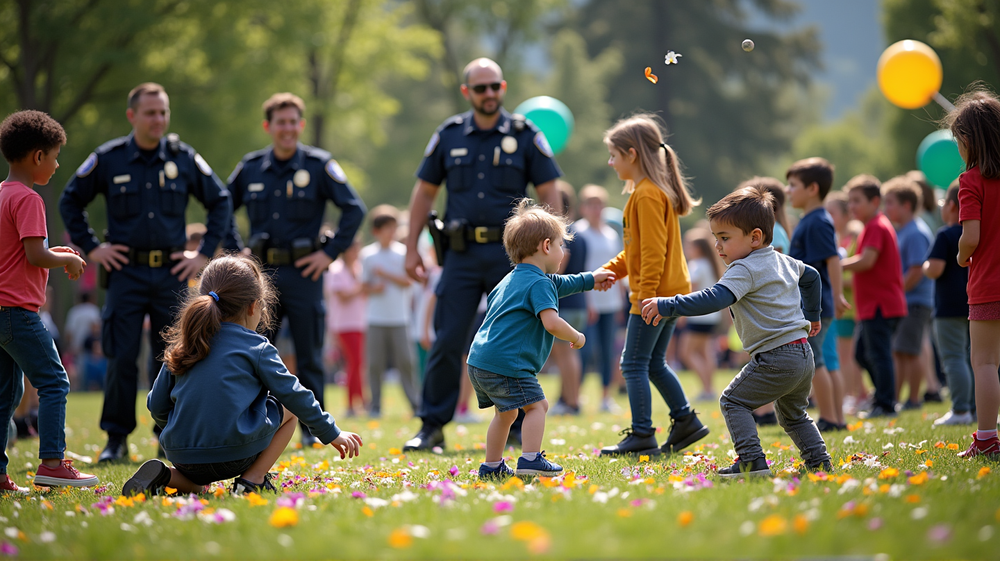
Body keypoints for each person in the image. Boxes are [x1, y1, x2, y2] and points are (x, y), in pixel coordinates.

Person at [59, 83, 233, 462]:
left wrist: (202, 254)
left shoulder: (183, 158)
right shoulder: (110, 159)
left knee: (175, 355)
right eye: (150, 112)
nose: (158, 119)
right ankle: (116, 440)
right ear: (132, 116)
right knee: (121, 356)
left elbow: (220, 201)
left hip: (171, 274)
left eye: (163, 112)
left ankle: (168, 436)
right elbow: (70, 199)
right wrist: (92, 248)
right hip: (126, 274)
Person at [401, 58, 562, 451]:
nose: (489, 94)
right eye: (480, 88)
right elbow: (424, 192)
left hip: (515, 258)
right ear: (467, 92)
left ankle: (523, 425)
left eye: (494, 87)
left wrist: (557, 246)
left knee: (519, 336)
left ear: (503, 88)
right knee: (448, 338)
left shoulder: (525, 134)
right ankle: (432, 426)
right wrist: (410, 246)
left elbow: (550, 191)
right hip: (459, 254)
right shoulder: (449, 134)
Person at [122, 255, 363, 496]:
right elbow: (294, 394)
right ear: (253, 306)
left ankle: (167, 475)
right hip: (236, 454)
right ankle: (252, 480)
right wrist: (332, 433)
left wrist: (181, 430)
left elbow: (156, 405)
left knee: (198, 486)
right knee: (289, 409)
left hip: (182, 455)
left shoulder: (184, 345)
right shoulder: (256, 347)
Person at [641, 186, 832, 478]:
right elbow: (813, 277)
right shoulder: (784, 260)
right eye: (716, 238)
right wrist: (813, 314)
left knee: (733, 401)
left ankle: (752, 462)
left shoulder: (744, 268)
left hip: (776, 356)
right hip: (802, 353)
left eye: (725, 238)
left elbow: (714, 299)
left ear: (755, 237)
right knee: (793, 415)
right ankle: (819, 462)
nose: (718, 246)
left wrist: (669, 305)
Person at [224, 93, 366, 446]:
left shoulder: (319, 165)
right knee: (253, 353)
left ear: (300, 125)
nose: (287, 129)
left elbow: (354, 209)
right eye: (280, 122)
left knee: (310, 356)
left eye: (292, 122)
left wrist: (329, 254)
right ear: (268, 126)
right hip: (259, 277)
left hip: (306, 275)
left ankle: (314, 433)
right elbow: (221, 206)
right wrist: (235, 251)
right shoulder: (251, 167)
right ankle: (256, 425)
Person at [469, 201, 615, 478]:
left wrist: (592, 278)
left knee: (506, 413)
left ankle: (491, 466)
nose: (563, 252)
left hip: (480, 361)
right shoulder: (540, 283)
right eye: (561, 245)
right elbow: (551, 322)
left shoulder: (511, 279)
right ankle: (531, 459)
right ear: (546, 247)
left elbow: (563, 284)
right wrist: (577, 336)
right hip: (507, 363)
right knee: (537, 406)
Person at [596, 114, 708, 457]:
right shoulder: (647, 192)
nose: (610, 162)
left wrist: (644, 297)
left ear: (632, 154)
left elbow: (652, 253)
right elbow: (636, 250)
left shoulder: (646, 195)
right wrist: (610, 271)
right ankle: (685, 420)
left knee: (632, 364)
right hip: (668, 292)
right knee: (654, 363)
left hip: (655, 296)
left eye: (614, 155)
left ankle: (643, 434)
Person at [0, 110, 99, 491]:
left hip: (1, 314)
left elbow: (20, 252)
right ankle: (53, 463)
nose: (57, 164)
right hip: (19, 314)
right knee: (54, 381)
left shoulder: (4, 194)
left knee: (7, 394)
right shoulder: (29, 199)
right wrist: (69, 258)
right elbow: (35, 256)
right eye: (55, 156)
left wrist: (50, 252)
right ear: (37, 156)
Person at [951, 89, 1000, 458]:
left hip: (988, 283)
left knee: (984, 362)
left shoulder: (971, 181)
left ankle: (986, 440)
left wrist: (960, 255)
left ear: (968, 141)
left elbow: (971, 236)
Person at [786, 158, 847, 431]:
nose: (788, 191)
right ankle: (837, 417)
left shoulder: (818, 222)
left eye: (793, 185)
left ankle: (830, 418)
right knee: (823, 359)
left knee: (816, 359)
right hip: (817, 304)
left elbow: (832, 260)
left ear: (812, 188)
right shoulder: (810, 220)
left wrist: (837, 296)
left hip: (816, 305)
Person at [841, 175, 907, 418]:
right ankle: (881, 395)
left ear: (874, 201)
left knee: (878, 354)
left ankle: (886, 403)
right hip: (871, 305)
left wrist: (837, 265)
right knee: (862, 353)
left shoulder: (877, 226)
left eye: (857, 200)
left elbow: (867, 261)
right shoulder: (871, 226)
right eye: (850, 201)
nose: (852, 206)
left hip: (882, 304)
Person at [881, 175, 935, 410]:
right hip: (907, 300)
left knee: (910, 352)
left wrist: (896, 292)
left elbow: (916, 271)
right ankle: (900, 398)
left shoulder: (915, 232)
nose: (886, 208)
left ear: (906, 205)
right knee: (901, 350)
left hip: (914, 301)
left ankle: (914, 399)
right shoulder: (903, 230)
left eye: (890, 202)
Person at [923, 182, 974, 426]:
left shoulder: (945, 234)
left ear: (952, 206)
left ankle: (961, 409)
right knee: (980, 359)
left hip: (948, 308)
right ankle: (977, 408)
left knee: (954, 358)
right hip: (975, 303)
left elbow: (935, 269)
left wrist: (925, 266)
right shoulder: (977, 233)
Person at [361, 206, 419, 417]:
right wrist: (373, 287)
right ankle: (375, 407)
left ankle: (415, 405)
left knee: (406, 363)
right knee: (374, 365)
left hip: (400, 318)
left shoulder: (403, 253)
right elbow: (363, 286)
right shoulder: (367, 255)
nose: (391, 232)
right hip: (375, 318)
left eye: (393, 228)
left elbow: (408, 281)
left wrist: (385, 274)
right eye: (387, 228)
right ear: (376, 231)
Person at [574, 185, 625, 412]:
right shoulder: (577, 232)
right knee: (584, 350)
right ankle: (575, 395)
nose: (596, 209)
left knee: (608, 350)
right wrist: (587, 301)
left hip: (610, 302)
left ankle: (606, 397)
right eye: (592, 205)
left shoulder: (611, 234)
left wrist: (621, 299)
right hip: (587, 301)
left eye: (600, 205)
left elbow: (619, 268)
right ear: (583, 207)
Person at [826, 192, 867, 413]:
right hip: (844, 307)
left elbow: (856, 275)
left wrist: (834, 280)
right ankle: (859, 394)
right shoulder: (840, 238)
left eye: (831, 212)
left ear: (844, 214)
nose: (828, 217)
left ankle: (855, 396)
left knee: (847, 355)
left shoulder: (853, 237)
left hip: (850, 307)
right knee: (846, 354)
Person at [550, 181, 587, 416]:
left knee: (565, 356)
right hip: (579, 302)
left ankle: (571, 402)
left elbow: (558, 270)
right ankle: (569, 399)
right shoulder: (579, 232)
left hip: (565, 303)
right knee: (571, 355)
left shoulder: (564, 234)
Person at [324, 239, 367, 417]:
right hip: (343, 324)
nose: (356, 252)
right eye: (352, 249)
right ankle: (352, 403)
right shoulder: (336, 269)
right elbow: (342, 295)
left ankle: (359, 401)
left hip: (358, 322)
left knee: (358, 364)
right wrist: (362, 288)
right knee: (353, 363)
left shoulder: (358, 268)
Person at [679, 228, 723, 401]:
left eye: (689, 246)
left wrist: (681, 313)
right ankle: (709, 389)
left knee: (687, 353)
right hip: (711, 316)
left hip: (698, 316)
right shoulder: (710, 264)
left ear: (697, 248)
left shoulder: (696, 264)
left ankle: (707, 389)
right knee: (706, 352)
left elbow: (692, 289)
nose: (686, 249)